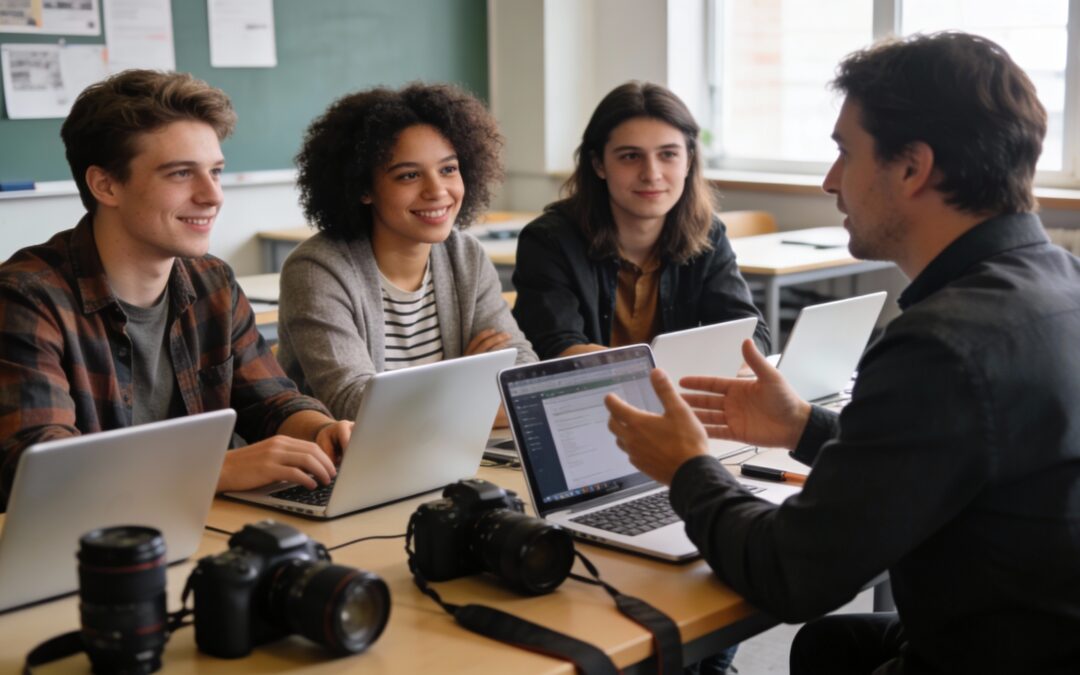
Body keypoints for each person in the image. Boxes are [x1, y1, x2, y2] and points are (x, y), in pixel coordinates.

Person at [604, 32, 1080, 675]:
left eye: (844, 153)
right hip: (1037, 629)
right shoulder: (1062, 280)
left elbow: (791, 575)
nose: (830, 181)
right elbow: (945, 454)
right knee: (829, 647)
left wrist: (688, 467)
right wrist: (804, 427)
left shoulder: (941, 345)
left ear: (912, 168)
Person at [0, 70, 353, 511]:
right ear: (105, 185)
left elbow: (272, 402)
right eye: (181, 173)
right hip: (83, 540)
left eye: (216, 172)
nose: (212, 195)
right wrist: (214, 470)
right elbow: (38, 468)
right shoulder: (26, 298)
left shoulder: (212, 281)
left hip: (195, 524)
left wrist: (320, 431)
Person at [277, 83, 536, 422]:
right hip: (351, 456)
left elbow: (524, 378)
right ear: (364, 188)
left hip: (457, 447)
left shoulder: (465, 256)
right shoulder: (317, 271)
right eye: (409, 175)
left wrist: (444, 402)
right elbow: (357, 406)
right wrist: (465, 381)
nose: (437, 190)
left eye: (448, 169)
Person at [511, 81, 770, 360]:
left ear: (688, 161)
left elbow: (750, 332)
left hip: (678, 386)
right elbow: (556, 348)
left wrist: (740, 356)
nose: (651, 174)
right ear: (598, 164)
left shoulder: (707, 233)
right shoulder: (549, 241)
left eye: (668, 154)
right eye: (631, 156)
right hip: (594, 389)